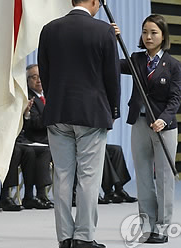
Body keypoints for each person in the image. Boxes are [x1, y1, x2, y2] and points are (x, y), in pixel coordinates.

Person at [38, 0, 120, 248]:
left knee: (62, 176)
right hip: (91, 112)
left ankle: (64, 238)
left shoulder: (49, 29)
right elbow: (112, 77)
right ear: (95, 0)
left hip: (58, 111)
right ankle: (84, 237)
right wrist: (114, 109)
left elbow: (45, 75)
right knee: (88, 177)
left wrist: (55, 100)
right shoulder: (103, 31)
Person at [113, 15, 181, 244]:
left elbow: (175, 99)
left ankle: (162, 228)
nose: (149, 36)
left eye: (153, 32)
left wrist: (163, 119)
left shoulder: (173, 65)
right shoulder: (136, 59)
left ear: (163, 35)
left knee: (163, 178)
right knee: (143, 177)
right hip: (140, 124)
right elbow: (111, 63)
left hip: (164, 127)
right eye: (145, 32)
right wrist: (111, 39)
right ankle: (147, 224)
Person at [25, 64, 133, 206]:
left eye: (41, 76)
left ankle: (118, 189)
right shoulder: (28, 99)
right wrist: (54, 111)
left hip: (66, 135)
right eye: (34, 77)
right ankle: (107, 191)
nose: (39, 80)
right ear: (27, 80)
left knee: (114, 149)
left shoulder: (52, 94)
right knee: (96, 150)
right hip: (43, 140)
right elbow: (35, 123)